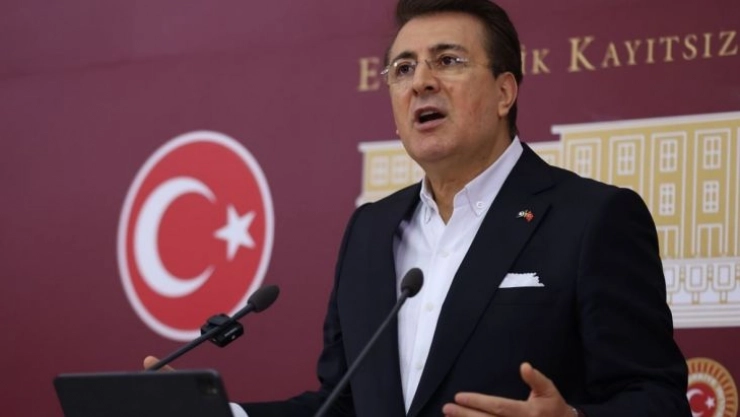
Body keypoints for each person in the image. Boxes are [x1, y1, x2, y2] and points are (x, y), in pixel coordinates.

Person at [147, 0, 691, 415]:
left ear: (505, 93)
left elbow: (659, 398)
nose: (421, 82)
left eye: (448, 61)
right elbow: (341, 405)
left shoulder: (592, 219)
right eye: (403, 69)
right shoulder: (369, 231)